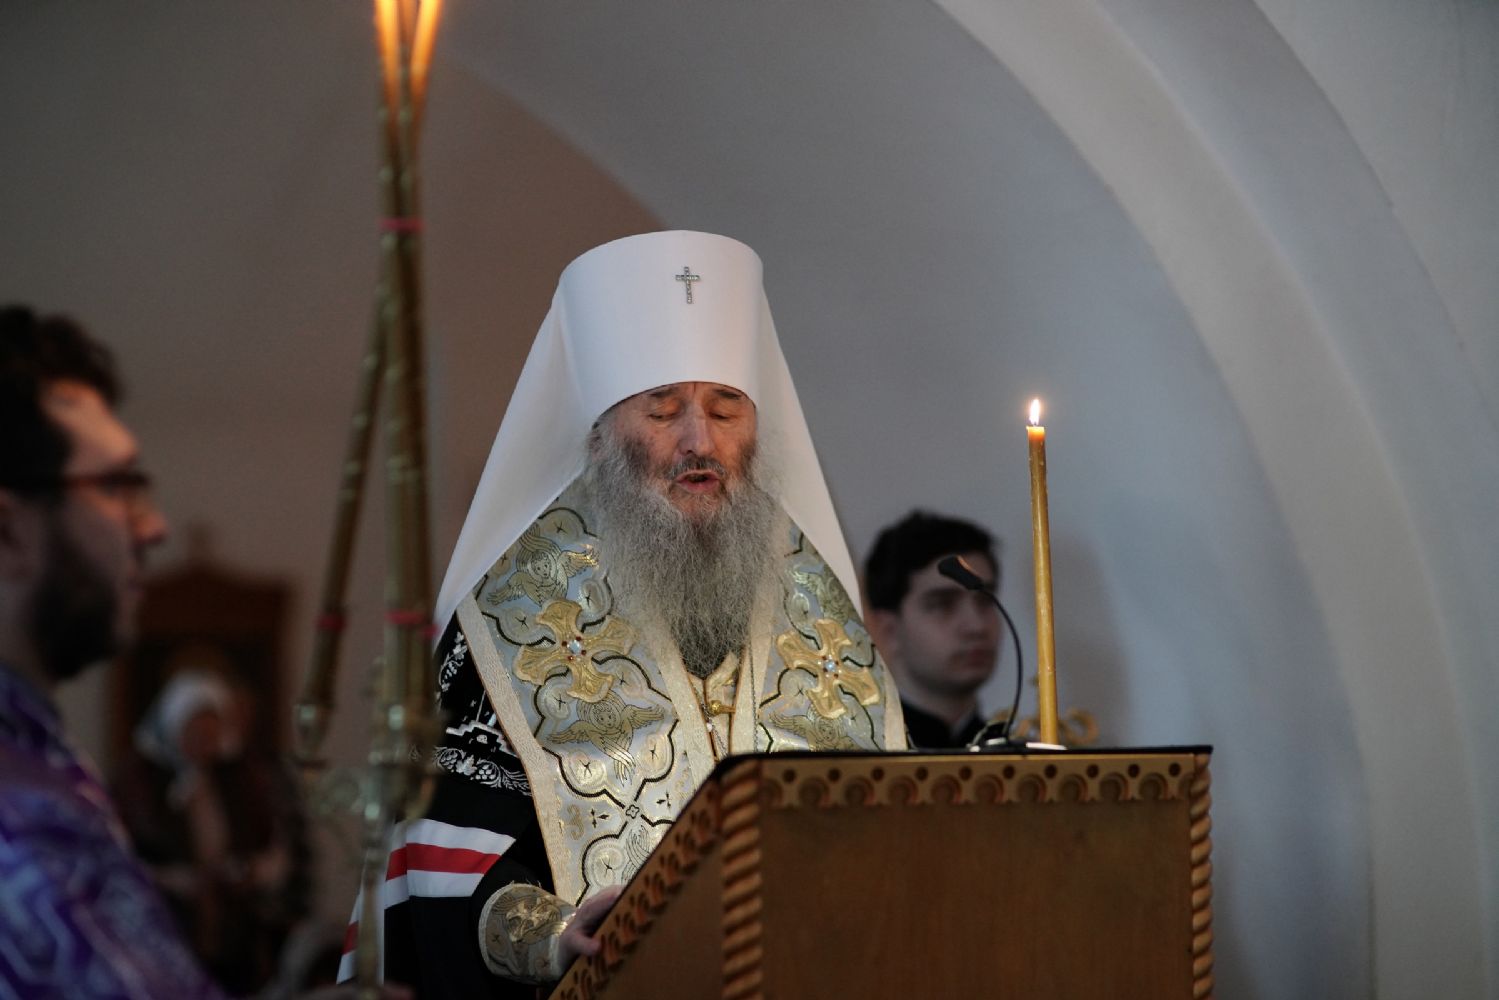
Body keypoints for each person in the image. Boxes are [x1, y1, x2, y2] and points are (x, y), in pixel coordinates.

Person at [340, 231, 907, 994]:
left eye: (726, 409)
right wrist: (547, 933)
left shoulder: (818, 601)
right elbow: (439, 842)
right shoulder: (508, 616)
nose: (699, 441)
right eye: (662, 411)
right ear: (601, 435)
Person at [0, 306, 403, 1000]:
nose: (153, 527)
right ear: (8, 532)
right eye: (116, 487)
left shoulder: (37, 750)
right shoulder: (20, 819)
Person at [113, 667, 312, 995]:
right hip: (166, 929)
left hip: (235, 933)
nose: (203, 740)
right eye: (194, 730)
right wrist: (172, 879)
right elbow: (119, 856)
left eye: (211, 730)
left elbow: (274, 848)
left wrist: (252, 871)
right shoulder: (140, 783)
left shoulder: (240, 777)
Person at [864, 511, 1003, 749]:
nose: (977, 626)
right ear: (888, 630)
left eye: (985, 601)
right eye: (943, 604)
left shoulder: (1021, 757)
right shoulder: (853, 754)